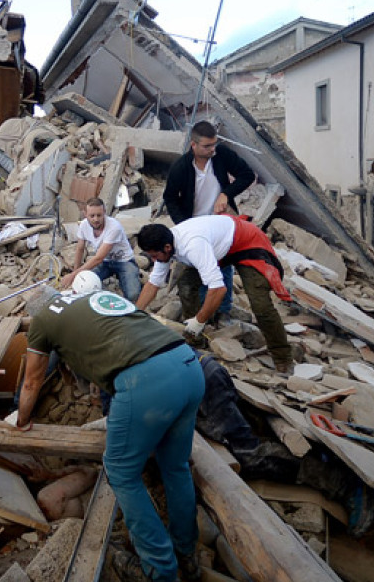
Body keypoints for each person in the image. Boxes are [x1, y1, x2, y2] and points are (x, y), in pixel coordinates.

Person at [15, 288, 204, 581]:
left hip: (146, 381)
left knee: (120, 471)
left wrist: (22, 419)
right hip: (188, 364)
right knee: (176, 467)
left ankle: (160, 569)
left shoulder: (42, 320)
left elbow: (32, 380)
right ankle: (187, 553)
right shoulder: (91, 296)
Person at [135, 215, 294, 373]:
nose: (154, 261)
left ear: (167, 247)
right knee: (186, 285)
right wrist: (134, 314)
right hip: (218, 246)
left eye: (155, 256)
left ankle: (283, 358)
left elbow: (218, 289)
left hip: (246, 242)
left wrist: (199, 320)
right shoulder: (165, 245)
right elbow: (153, 283)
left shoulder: (193, 246)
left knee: (260, 305)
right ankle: (194, 340)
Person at [162, 121, 256, 322]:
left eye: (214, 144)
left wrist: (225, 193)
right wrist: (183, 225)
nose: (212, 149)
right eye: (207, 146)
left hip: (220, 223)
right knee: (198, 269)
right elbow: (169, 197)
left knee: (224, 265)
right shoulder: (180, 167)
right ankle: (201, 314)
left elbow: (247, 175)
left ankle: (222, 312)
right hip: (194, 224)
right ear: (193, 145)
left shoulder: (221, 155)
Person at [59, 198, 142, 301]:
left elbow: (98, 258)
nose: (96, 219)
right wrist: (77, 274)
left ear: (104, 213)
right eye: (92, 216)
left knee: (132, 295)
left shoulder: (114, 227)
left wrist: (72, 275)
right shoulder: (84, 225)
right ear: (85, 214)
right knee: (85, 286)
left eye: (99, 215)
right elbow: (80, 248)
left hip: (124, 261)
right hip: (105, 262)